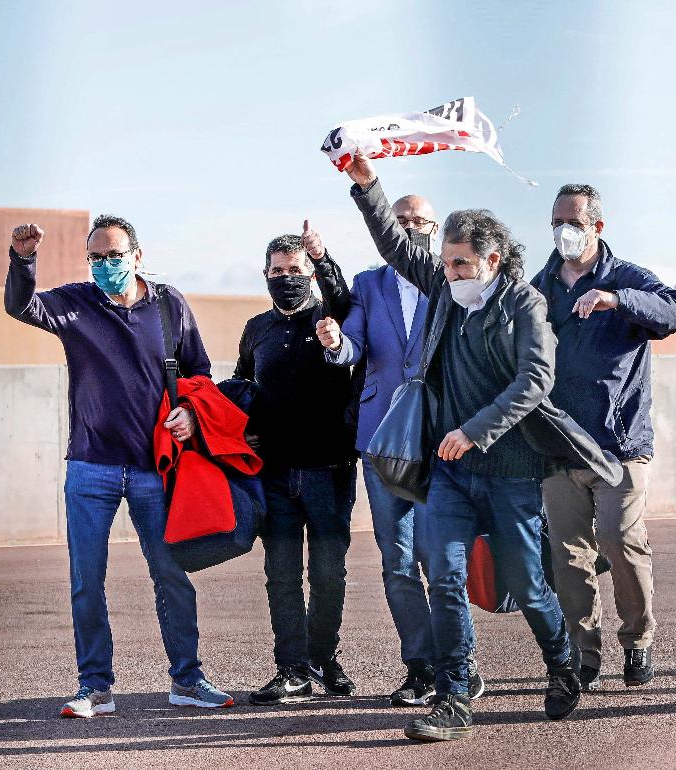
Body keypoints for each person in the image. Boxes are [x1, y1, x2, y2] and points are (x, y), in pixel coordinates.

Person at [340, 154, 622, 742]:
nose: (450, 272)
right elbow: (396, 246)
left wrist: (475, 430)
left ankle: (561, 663)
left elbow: (535, 380)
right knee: (444, 578)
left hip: (510, 471)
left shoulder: (525, 304)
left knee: (527, 584)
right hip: (449, 472)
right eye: (446, 263)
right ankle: (456, 693)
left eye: (461, 263)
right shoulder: (446, 291)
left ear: (492, 260)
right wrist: (368, 185)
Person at [4, 215, 234, 717]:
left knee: (171, 574)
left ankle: (188, 679)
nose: (105, 265)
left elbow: (199, 372)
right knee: (87, 580)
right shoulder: (76, 303)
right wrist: (23, 260)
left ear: (137, 256)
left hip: (156, 468)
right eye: (96, 257)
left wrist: (190, 412)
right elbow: (21, 305)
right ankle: (95, 687)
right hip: (91, 468)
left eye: (114, 255)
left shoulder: (169, 305)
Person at [317, 195, 487, 706]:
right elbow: (353, 346)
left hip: (441, 439)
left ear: (435, 229)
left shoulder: (451, 281)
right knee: (397, 561)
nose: (410, 226)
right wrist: (334, 342)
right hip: (383, 439)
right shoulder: (369, 283)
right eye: (402, 219)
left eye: (420, 220)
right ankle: (420, 667)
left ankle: (459, 664)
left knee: (441, 560)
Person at [530, 183, 676, 690]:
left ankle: (638, 638)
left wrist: (617, 301)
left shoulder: (627, 278)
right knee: (567, 554)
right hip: (559, 444)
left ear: (597, 227)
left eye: (574, 223)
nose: (564, 231)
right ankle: (585, 651)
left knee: (620, 539)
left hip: (618, 444)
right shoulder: (540, 286)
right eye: (557, 222)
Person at [234, 223, 360, 705]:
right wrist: (240, 426)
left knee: (329, 573)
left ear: (309, 274)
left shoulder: (333, 317)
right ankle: (291, 669)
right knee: (282, 574)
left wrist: (322, 257)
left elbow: (339, 292)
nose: (285, 277)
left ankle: (323, 659)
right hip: (274, 472)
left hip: (329, 469)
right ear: (265, 275)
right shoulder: (256, 329)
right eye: (276, 271)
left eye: (294, 269)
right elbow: (242, 384)